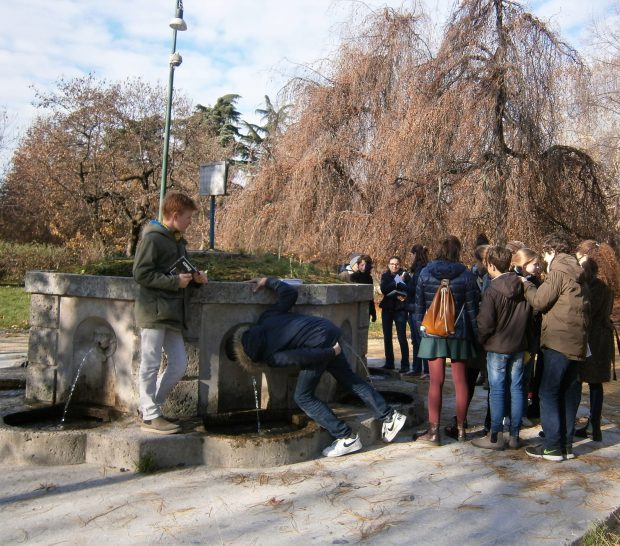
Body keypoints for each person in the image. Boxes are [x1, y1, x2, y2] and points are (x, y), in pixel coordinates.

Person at [228, 277, 407, 457]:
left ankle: (346, 437)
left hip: (321, 347)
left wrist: (330, 352)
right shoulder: (266, 318)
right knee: (349, 379)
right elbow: (290, 293)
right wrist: (267, 281)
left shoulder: (271, 357)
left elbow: (303, 356)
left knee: (303, 397)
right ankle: (390, 416)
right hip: (327, 329)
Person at [133, 192, 208, 435]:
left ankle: (150, 407)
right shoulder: (153, 238)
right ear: (174, 216)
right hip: (154, 311)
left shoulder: (177, 241)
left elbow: (180, 271)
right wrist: (175, 282)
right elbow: (141, 274)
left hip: (172, 313)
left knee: (178, 364)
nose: (190, 223)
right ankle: (150, 414)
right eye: (188, 218)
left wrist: (195, 279)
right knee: (151, 362)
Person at [521, 233, 589, 461]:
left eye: (545, 255)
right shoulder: (579, 273)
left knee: (548, 392)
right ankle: (566, 445)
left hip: (558, 341)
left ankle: (551, 446)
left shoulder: (558, 271)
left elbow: (540, 301)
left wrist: (526, 286)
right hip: (578, 342)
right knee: (569, 392)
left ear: (551, 252)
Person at [413, 235, 480, 445]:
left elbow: (419, 307)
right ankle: (460, 429)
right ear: (457, 251)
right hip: (459, 333)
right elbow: (472, 309)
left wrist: (421, 330)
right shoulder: (467, 275)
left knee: (436, 381)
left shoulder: (425, 272)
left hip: (433, 333)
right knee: (460, 381)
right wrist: (476, 334)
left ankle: (433, 432)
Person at [471, 246, 531, 450]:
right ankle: (514, 435)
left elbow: (485, 323)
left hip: (497, 347)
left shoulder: (492, 290)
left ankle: (495, 436)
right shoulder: (523, 285)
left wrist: (481, 339)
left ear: (490, 264)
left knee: (497, 390)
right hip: (518, 345)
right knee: (517, 388)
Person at [574, 240, 618, 442]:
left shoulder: (595, 283)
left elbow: (587, 311)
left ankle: (591, 426)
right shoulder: (607, 280)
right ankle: (594, 425)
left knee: (582, 379)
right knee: (595, 383)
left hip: (592, 336)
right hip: (601, 336)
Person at [512, 248, 543, 422]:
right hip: (517, 334)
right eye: (535, 264)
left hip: (530, 336)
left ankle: (522, 411)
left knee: (525, 376)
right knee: (516, 377)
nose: (538, 267)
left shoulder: (535, 281)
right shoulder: (513, 280)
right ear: (523, 263)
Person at [379, 256, 410, 372]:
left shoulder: (405, 275)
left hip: (400, 309)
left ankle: (405, 365)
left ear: (400, 264)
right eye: (392, 263)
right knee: (387, 337)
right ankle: (389, 363)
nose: (394, 266)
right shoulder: (385, 275)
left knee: (402, 337)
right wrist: (397, 281)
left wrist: (400, 285)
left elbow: (408, 289)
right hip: (387, 309)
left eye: (396, 264)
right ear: (388, 265)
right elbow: (384, 289)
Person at [405, 245, 429, 377]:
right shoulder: (419, 268)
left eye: (411, 254)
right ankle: (416, 368)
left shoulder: (421, 269)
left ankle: (426, 370)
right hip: (413, 307)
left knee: (421, 340)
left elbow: (417, 288)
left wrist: (406, 281)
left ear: (415, 254)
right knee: (415, 340)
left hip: (417, 308)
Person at [350, 254, 377, 323]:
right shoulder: (353, 276)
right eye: (362, 265)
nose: (364, 267)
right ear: (358, 265)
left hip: (366, 308)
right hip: (355, 309)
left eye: (366, 265)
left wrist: (373, 312)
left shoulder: (369, 278)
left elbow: (370, 296)